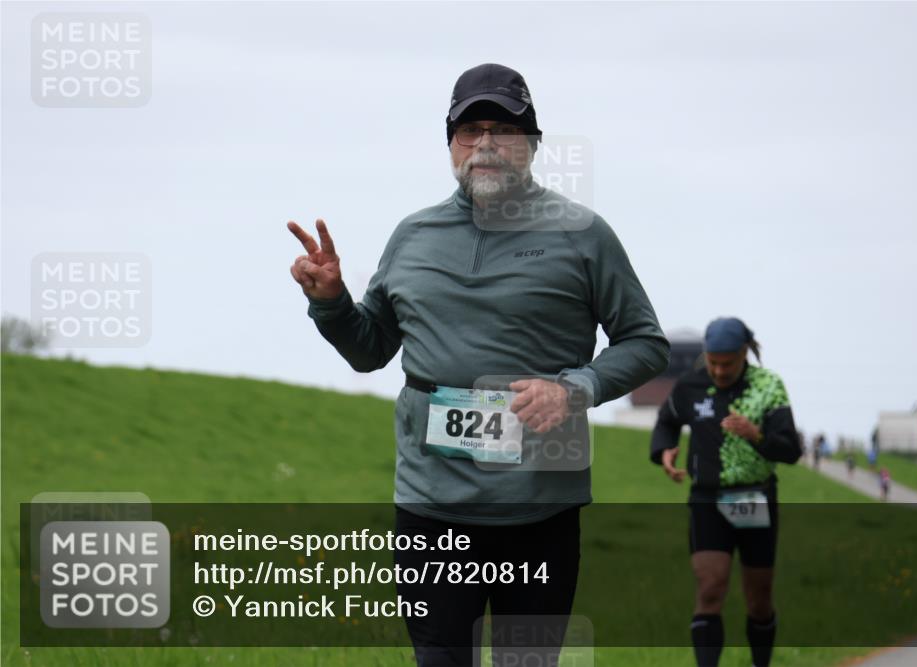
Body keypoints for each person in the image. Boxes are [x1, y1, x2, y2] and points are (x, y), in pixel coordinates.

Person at [287, 63, 671, 666]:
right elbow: (371, 351)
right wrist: (332, 303)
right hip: (431, 508)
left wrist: (574, 390)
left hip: (539, 508)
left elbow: (645, 343)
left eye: (503, 128)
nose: (485, 143)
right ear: (450, 146)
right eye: (469, 130)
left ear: (533, 144)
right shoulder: (413, 235)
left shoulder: (584, 235)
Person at [650, 318, 801, 667]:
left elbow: (791, 451)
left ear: (744, 353)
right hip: (707, 500)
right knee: (710, 588)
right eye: (713, 362)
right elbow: (666, 421)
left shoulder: (768, 387)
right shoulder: (690, 385)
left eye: (727, 363)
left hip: (755, 498)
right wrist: (665, 451)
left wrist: (757, 435)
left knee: (758, 599)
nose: (718, 371)